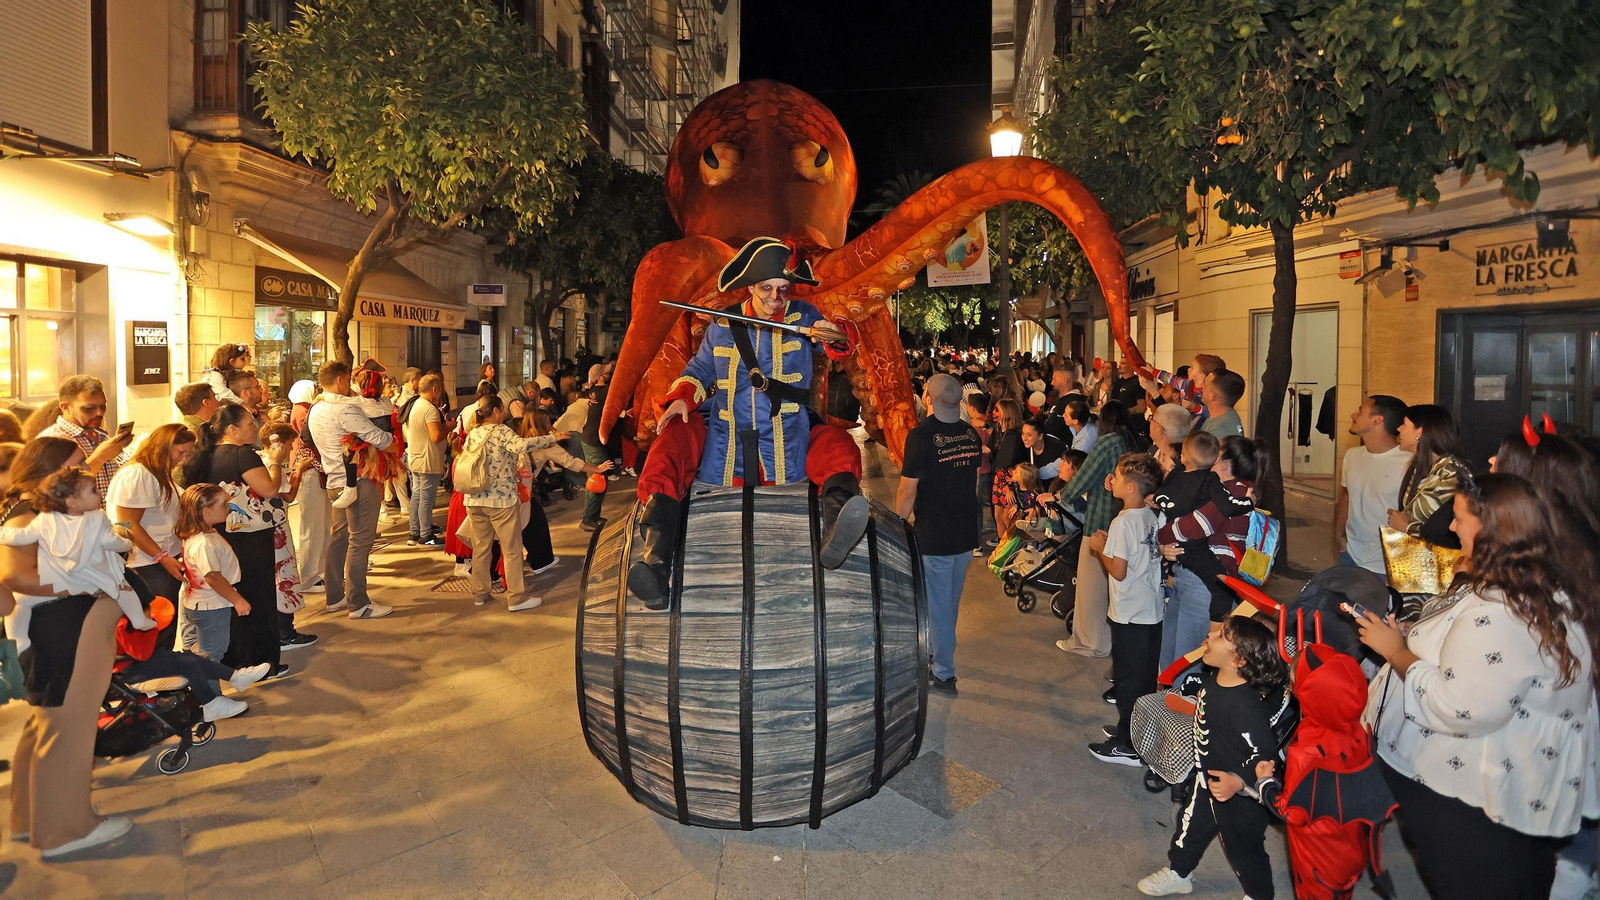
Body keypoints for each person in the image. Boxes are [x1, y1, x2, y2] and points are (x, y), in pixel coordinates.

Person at [1355, 474, 1600, 899]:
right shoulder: (1529, 583)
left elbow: (1459, 707)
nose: (1452, 527)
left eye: (1460, 518)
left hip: (1476, 802)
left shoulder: (1505, 609)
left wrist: (1396, 651)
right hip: (1483, 796)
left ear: (1492, 530)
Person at [624, 237, 866, 608]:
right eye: (767, 288)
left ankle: (835, 528)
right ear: (751, 287)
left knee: (839, 446)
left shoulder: (804, 316)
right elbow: (701, 369)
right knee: (672, 441)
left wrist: (832, 334)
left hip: (789, 440)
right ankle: (656, 561)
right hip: (726, 441)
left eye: (782, 289)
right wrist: (681, 399)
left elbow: (841, 340)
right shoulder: (724, 323)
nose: (775, 297)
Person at [2, 437, 131, 857]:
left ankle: (30, 818)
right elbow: (14, 574)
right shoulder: (29, 512)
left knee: (47, 727)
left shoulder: (27, 506)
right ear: (49, 469)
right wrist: (85, 585)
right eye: (76, 464)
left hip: (55, 629)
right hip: (62, 629)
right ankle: (65, 830)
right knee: (69, 731)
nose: (85, 472)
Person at [1137, 615, 1287, 898]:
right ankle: (1179, 872)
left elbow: (1266, 756)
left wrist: (1239, 782)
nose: (1210, 635)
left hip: (1242, 796)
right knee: (1189, 829)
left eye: (1220, 637)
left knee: (1244, 849)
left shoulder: (1247, 708)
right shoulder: (1213, 683)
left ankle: (1259, 895)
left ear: (1238, 660)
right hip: (1207, 781)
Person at [183, 403, 294, 675]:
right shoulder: (242, 454)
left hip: (219, 531)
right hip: (250, 536)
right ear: (232, 429)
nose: (255, 428)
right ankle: (261, 662)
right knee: (257, 596)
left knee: (230, 597)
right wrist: (277, 462)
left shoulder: (204, 456)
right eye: (249, 424)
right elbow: (268, 488)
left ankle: (233, 659)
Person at [0, 465, 157, 646]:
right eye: (93, 490)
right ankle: (138, 619)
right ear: (72, 502)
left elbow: (22, 536)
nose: (99, 494)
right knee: (123, 588)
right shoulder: (97, 518)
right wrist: (127, 543)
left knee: (22, 601)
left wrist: (2, 533)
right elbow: (111, 541)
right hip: (91, 575)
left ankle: (19, 641)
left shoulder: (45, 518)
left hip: (61, 573)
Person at [1156, 435, 1273, 670]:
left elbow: (1193, 526)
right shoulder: (1220, 489)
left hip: (1204, 585)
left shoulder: (1235, 492)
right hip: (1192, 577)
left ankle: (1184, 703)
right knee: (1172, 653)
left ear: (1225, 465)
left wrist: (1160, 537)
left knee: (1187, 662)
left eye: (1215, 455)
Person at [896, 374, 981, 693]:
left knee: (939, 605)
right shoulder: (971, 434)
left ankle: (943, 670)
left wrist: (897, 522)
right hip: (964, 531)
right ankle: (937, 652)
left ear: (929, 399)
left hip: (934, 534)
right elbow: (972, 483)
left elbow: (907, 491)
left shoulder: (920, 437)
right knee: (949, 601)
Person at [1087, 453, 1166, 767]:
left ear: (1131, 487)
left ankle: (1129, 744)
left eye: (1117, 478)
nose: (1112, 481)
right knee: (1145, 676)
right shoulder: (1148, 514)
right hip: (1150, 608)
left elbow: (1118, 570)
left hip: (1130, 612)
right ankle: (1135, 730)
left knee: (1129, 679)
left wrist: (1099, 548)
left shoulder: (1122, 522)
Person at [458, 395, 568, 610]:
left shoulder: (474, 433)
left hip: (473, 498)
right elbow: (522, 445)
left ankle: (480, 593)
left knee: (481, 548)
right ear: (497, 411)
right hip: (500, 500)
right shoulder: (501, 431)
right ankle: (517, 598)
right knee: (512, 549)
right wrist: (551, 438)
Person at [1051, 401, 1142, 658]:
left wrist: (1063, 494)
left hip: (1101, 521)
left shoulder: (1107, 442)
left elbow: (1083, 477)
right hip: (1126, 519)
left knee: (1092, 587)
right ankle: (1110, 641)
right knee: (1114, 589)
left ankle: (1089, 643)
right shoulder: (1131, 441)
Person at [307, 361, 397, 620]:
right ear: (340, 380)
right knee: (360, 541)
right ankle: (358, 604)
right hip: (358, 481)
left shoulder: (318, 407)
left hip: (334, 482)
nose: (352, 384)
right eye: (348, 379)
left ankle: (335, 597)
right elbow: (379, 438)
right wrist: (392, 442)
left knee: (340, 539)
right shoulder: (344, 409)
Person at [173, 482, 257, 720]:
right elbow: (213, 577)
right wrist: (238, 600)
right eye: (224, 504)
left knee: (199, 653)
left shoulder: (199, 536)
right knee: (211, 655)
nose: (229, 507)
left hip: (199, 603)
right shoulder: (205, 543)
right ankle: (212, 702)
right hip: (211, 606)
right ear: (206, 512)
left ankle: (203, 697)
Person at [107, 423, 194, 633]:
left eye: (187, 454)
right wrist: (161, 557)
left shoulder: (157, 473)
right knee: (154, 630)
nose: (182, 459)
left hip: (160, 559)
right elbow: (128, 524)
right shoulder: (138, 474)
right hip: (147, 563)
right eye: (180, 452)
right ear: (163, 446)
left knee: (164, 627)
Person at [517, 408, 612, 580]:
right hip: (521, 493)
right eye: (548, 421)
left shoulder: (519, 439)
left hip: (506, 490)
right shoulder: (546, 445)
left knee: (525, 524)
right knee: (527, 525)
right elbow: (572, 463)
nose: (551, 425)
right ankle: (536, 563)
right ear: (541, 424)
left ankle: (537, 561)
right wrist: (597, 469)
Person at [1333, 395, 1411, 575]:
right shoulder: (1352, 456)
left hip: (1388, 564)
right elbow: (1346, 497)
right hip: (1350, 556)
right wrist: (1338, 535)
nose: (1353, 414)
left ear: (1377, 420)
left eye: (1361, 411)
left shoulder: (1409, 462)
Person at [30, 375, 133, 504]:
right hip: (78, 520)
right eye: (89, 408)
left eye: (102, 406)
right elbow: (58, 489)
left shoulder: (101, 435)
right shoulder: (53, 440)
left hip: (108, 518)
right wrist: (100, 457)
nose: (99, 413)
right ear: (65, 407)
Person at [1385, 403, 1465, 545]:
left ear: (1419, 432)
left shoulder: (1449, 471)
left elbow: (1453, 527)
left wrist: (1408, 527)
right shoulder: (1420, 466)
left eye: (1404, 424)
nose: (1399, 429)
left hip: (1437, 560)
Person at [286, 379, 328, 594]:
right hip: (309, 472)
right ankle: (309, 576)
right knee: (312, 527)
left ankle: (317, 573)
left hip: (313, 472)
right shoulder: (304, 412)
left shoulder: (303, 409)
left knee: (318, 526)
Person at [403, 373, 449, 546]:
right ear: (435, 389)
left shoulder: (416, 404)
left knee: (417, 494)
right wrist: (449, 427)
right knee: (426, 498)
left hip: (415, 456)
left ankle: (414, 532)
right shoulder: (429, 409)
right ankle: (426, 534)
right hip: (427, 459)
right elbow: (436, 436)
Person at [1199, 368, 1246, 439]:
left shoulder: (1219, 430)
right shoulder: (1227, 417)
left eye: (1205, 384)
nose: (1202, 387)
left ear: (1212, 396)